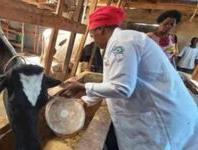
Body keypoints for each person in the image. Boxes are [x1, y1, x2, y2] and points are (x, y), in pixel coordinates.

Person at [59, 6, 198, 150]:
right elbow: (112, 82)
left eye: (92, 33)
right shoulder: (122, 41)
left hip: (163, 116)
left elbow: (122, 88)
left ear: (100, 29)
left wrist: (83, 87)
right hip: (157, 110)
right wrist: (86, 100)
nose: (93, 38)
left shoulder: (123, 42)